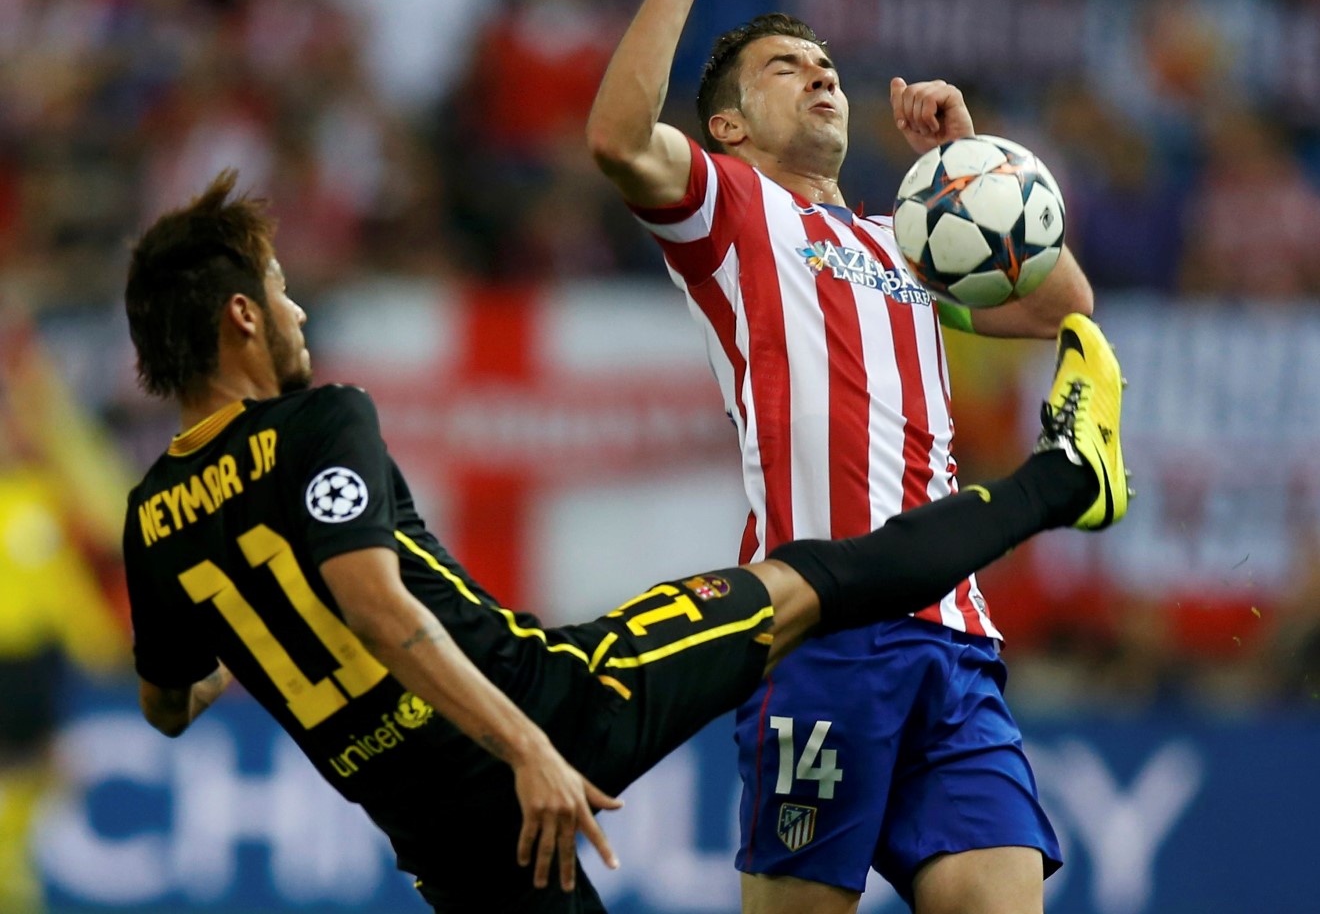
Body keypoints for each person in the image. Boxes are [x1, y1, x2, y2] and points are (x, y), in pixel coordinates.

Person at [121, 173, 1126, 912]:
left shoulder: (153, 519)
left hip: (444, 839)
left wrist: (243, 645)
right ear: (242, 316)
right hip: (551, 709)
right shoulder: (319, 420)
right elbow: (375, 604)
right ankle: (1066, 478)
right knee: (820, 575)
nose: (297, 310)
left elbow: (167, 704)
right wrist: (528, 749)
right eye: (280, 290)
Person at [586, 0, 1110, 914]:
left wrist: (966, 165)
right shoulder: (731, 212)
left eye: (825, 64)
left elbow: (1063, 307)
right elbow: (617, 139)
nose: (821, 75)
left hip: (954, 637)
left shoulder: (907, 245)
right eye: (785, 68)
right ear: (729, 127)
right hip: (818, 633)